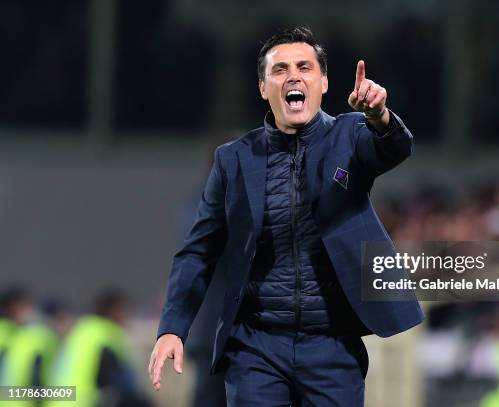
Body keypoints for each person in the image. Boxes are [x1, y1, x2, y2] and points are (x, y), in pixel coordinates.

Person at [149, 26, 423, 406]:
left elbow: (394, 147)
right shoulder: (233, 159)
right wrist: (172, 329)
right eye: (280, 70)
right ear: (263, 88)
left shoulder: (351, 134)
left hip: (332, 344)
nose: (293, 76)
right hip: (256, 346)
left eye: (305, 67)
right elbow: (198, 250)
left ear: (323, 82)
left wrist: (379, 115)